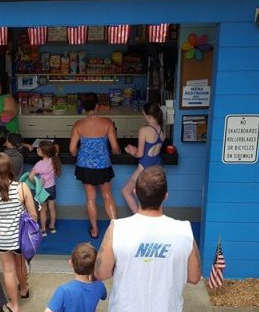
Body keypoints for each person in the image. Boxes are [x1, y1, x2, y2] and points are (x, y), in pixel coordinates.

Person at [94, 166, 201, 312]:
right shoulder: (184, 231)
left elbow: (101, 273)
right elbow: (194, 276)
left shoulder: (118, 228)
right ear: (165, 196)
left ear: (135, 193)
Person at [0, 153, 38, 312]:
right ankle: (24, 289)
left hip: (2, 238)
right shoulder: (22, 187)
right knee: (20, 264)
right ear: (10, 168)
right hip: (20, 236)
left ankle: (14, 305)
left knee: (8, 270)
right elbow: (33, 215)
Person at [70, 92, 120, 240]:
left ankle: (95, 230)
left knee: (91, 199)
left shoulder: (78, 125)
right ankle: (115, 229)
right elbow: (115, 147)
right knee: (107, 195)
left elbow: (72, 150)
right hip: (104, 165)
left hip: (85, 166)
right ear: (97, 106)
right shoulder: (107, 122)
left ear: (84, 108)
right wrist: (116, 151)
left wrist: (81, 152)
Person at [122, 102, 166, 214]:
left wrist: (132, 151)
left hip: (144, 167)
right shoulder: (162, 130)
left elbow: (140, 154)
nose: (144, 117)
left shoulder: (144, 130)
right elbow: (151, 149)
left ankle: (140, 218)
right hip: (157, 167)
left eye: (144, 115)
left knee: (126, 191)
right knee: (153, 198)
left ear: (149, 116)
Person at [29, 140, 61, 236]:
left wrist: (38, 182)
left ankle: (43, 230)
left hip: (43, 190)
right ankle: (52, 227)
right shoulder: (54, 159)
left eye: (39, 148)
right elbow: (56, 146)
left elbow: (30, 177)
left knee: (43, 210)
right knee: (52, 208)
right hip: (52, 188)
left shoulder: (39, 164)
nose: (37, 149)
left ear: (44, 152)